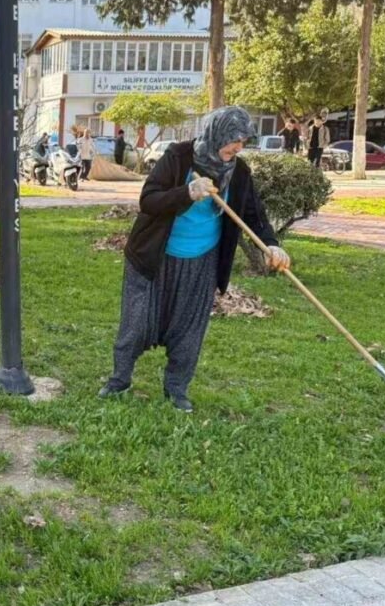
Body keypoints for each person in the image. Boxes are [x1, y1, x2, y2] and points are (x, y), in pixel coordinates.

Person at [99, 106, 290, 412]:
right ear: (216, 134)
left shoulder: (239, 172)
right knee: (136, 323)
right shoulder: (178, 156)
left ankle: (176, 389)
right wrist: (186, 192)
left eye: (243, 141)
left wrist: (271, 244)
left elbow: (253, 213)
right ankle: (119, 380)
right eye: (234, 139)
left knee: (189, 329)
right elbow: (149, 200)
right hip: (154, 256)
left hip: (201, 260)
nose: (238, 147)